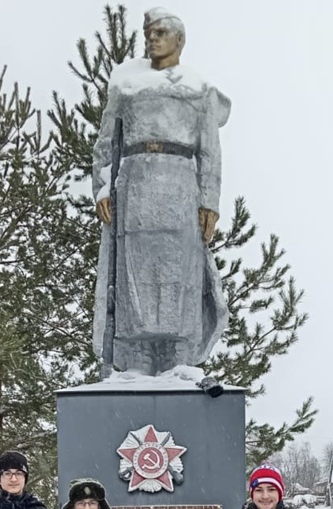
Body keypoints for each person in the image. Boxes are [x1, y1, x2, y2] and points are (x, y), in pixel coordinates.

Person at [91, 7, 232, 375]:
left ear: (179, 40)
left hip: (180, 184)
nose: (153, 38)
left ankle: (178, 361)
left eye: (161, 32)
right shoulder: (126, 85)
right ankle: (136, 362)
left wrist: (209, 202)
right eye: (149, 33)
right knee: (134, 274)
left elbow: (210, 151)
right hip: (136, 183)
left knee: (180, 274)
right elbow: (107, 143)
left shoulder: (198, 89)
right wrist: (103, 187)